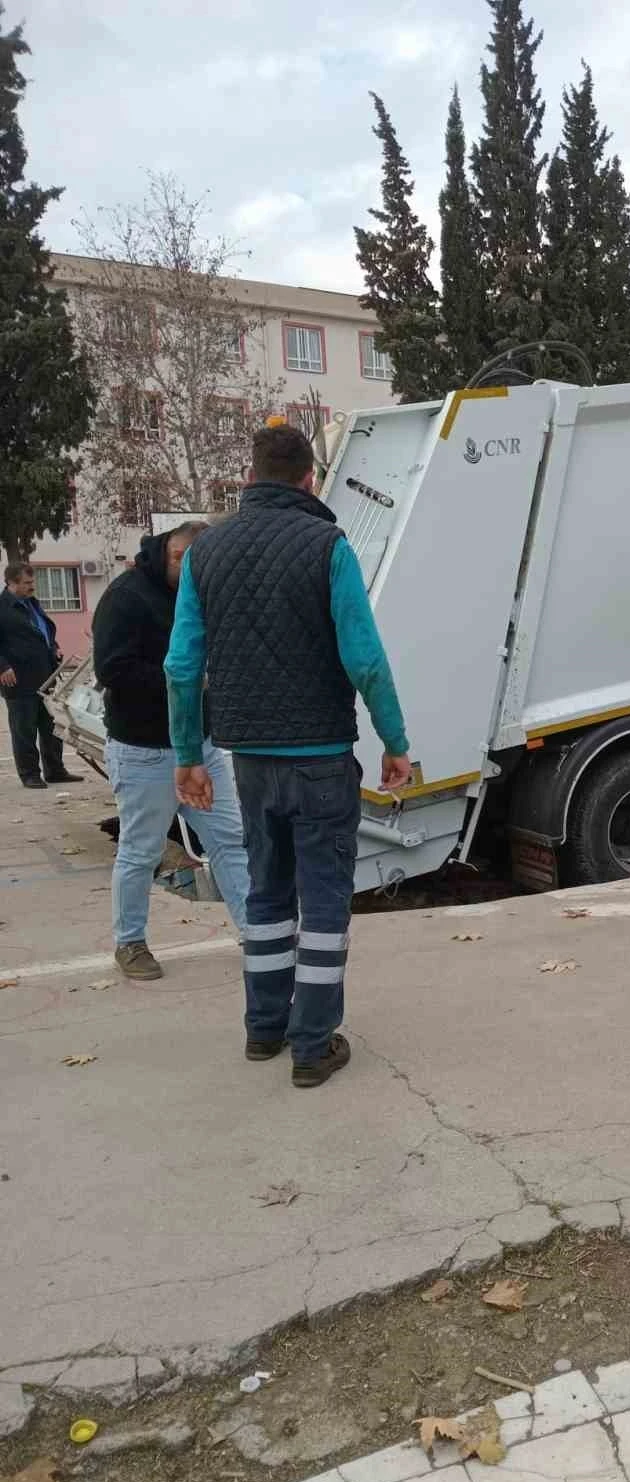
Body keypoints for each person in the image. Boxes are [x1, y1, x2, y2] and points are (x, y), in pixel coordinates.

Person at [165, 423, 411, 1089]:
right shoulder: (327, 545)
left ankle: (264, 1027)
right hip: (323, 758)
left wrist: (187, 753)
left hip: (248, 759)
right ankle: (313, 1044)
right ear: (309, 479)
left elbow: (181, 664)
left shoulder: (205, 554)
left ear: (249, 477)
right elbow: (365, 659)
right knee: (325, 901)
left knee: (268, 892)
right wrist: (396, 742)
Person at [92, 522, 250, 981]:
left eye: (197, 558)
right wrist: (182, 681)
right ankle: (131, 943)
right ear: (164, 550)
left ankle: (255, 932)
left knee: (231, 842)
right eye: (180, 555)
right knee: (141, 852)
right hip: (145, 752)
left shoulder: (206, 596)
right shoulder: (126, 598)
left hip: (200, 750)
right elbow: (113, 670)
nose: (188, 565)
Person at [0, 562, 83, 789]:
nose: (32, 586)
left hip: (46, 675)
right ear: (11, 583)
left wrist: (53, 646)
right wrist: (2, 667)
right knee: (24, 729)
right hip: (18, 678)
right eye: (27, 583)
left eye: (32, 581)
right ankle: (29, 774)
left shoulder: (32, 604)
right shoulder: (3, 608)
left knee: (50, 725)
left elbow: (42, 632)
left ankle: (55, 770)